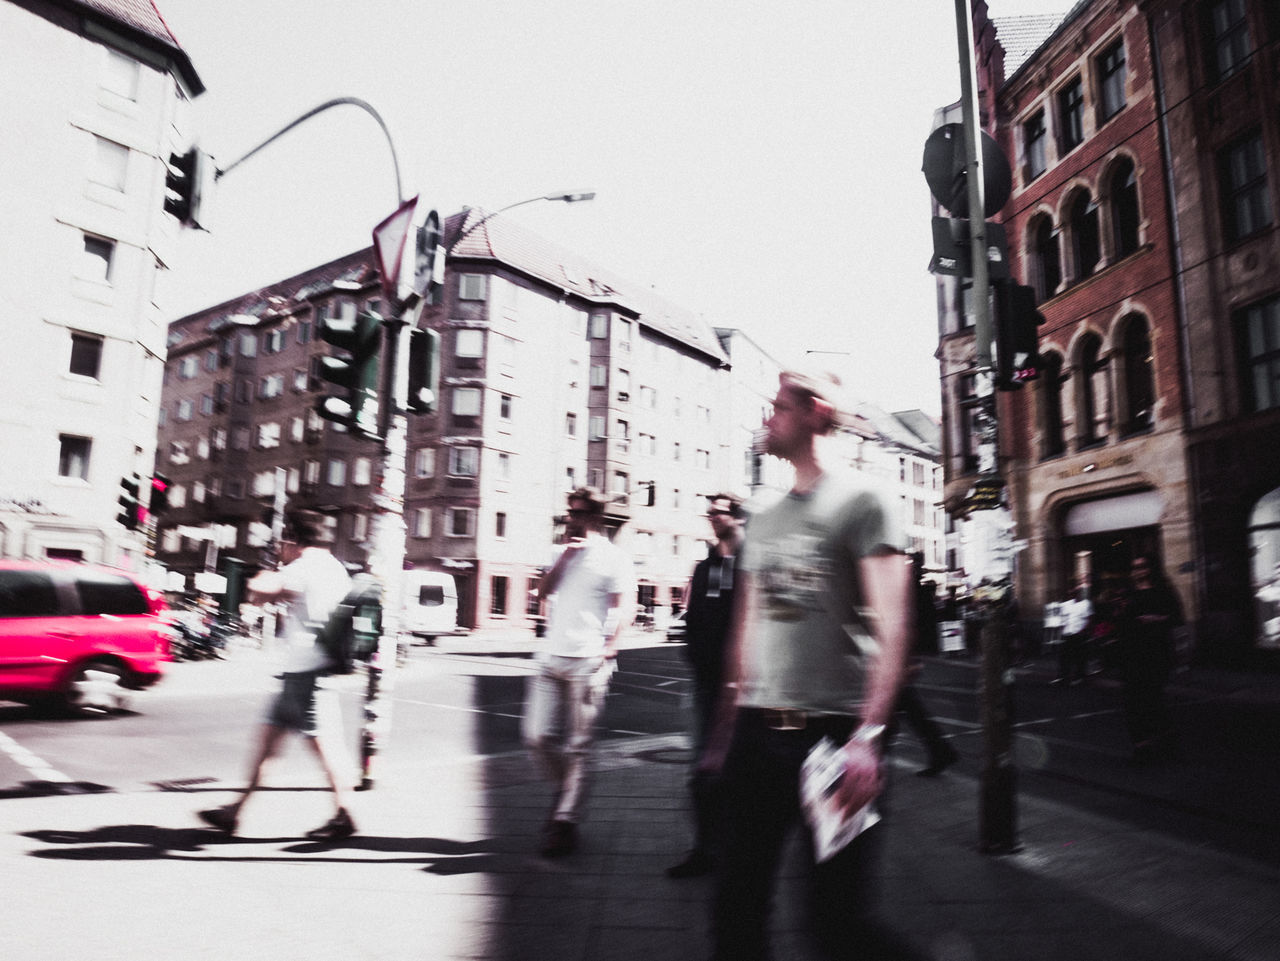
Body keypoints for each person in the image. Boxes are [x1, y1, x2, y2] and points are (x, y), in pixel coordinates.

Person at [701, 371, 917, 961]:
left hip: (832, 738)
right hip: (755, 736)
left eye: (778, 407)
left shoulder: (865, 501)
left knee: (837, 923)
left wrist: (868, 738)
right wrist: (722, 734)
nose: (767, 418)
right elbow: (743, 633)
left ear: (816, 413)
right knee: (735, 908)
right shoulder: (763, 519)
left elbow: (893, 626)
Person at [198, 509, 357, 840]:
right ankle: (234, 812)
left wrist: (266, 570)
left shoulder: (305, 567)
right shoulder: (335, 568)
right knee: (268, 745)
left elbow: (261, 590)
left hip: (307, 673)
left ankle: (345, 813)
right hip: (303, 671)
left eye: (282, 540)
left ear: (293, 540)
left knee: (325, 747)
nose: (280, 547)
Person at [523, 487, 634, 858]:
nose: (572, 518)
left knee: (579, 748)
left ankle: (565, 820)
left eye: (581, 512)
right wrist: (563, 560)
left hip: (588, 661)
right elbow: (541, 592)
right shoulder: (560, 551)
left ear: (596, 517)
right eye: (570, 511)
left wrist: (611, 646)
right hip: (551, 658)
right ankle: (566, 791)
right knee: (536, 736)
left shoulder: (613, 557)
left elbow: (623, 607)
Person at [666, 492, 746, 880]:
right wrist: (697, 659)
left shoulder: (754, 564)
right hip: (707, 684)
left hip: (749, 690)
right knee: (702, 770)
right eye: (709, 513)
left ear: (737, 517)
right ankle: (704, 849)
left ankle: (739, 849)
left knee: (743, 772)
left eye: (719, 512)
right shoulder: (704, 568)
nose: (712, 518)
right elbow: (692, 619)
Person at [1113, 556, 1184, 763]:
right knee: (1132, 702)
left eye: (1142, 566)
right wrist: (1118, 611)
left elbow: (1176, 617)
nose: (1138, 571)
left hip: (1156, 653)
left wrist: (1156, 619)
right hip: (1131, 654)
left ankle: (1166, 740)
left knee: (1153, 700)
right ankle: (1141, 746)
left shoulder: (1163, 591)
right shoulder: (1128, 593)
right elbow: (1120, 622)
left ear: (1151, 569)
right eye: (1135, 567)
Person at [896, 553, 959, 778]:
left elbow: (910, 623)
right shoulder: (915, 588)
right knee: (909, 710)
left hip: (898, 656)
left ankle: (941, 751)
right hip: (900, 655)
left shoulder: (911, 589)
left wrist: (909, 658)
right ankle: (941, 751)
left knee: (903, 709)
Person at [1052, 583, 1094, 687]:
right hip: (1067, 633)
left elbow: (1090, 619)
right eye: (1072, 592)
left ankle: (1079, 677)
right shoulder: (1066, 604)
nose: (1073, 594)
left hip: (1079, 634)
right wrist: (1062, 629)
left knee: (1079, 657)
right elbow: (1062, 618)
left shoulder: (1086, 604)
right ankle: (1063, 676)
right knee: (1064, 657)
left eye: (1076, 592)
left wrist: (1084, 631)